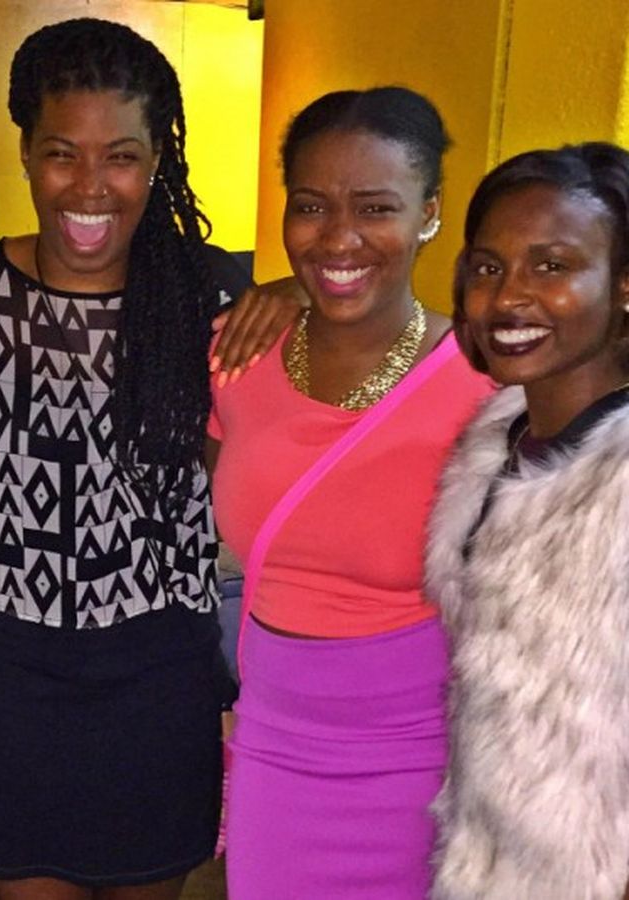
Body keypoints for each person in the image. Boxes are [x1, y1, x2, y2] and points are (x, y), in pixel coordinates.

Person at [0, 18, 232, 900]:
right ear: (25, 152)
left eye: (121, 157)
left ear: (156, 161)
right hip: (11, 671)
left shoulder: (204, 300)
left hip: (159, 671)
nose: (90, 186)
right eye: (62, 154)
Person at [206, 87, 494, 898]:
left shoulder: (486, 384)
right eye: (311, 207)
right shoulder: (235, 357)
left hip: (426, 760)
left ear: (429, 214)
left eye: (375, 208)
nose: (338, 237)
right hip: (272, 746)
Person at [427, 142, 629, 900]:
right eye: (488, 267)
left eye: (552, 265)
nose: (509, 296)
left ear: (622, 285)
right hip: (485, 859)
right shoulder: (498, 443)